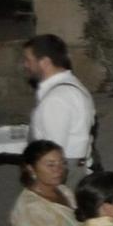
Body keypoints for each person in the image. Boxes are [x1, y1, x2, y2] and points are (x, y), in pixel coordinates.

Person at [23, 34, 94, 171]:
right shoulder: (73, 84)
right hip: (76, 165)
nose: (25, 65)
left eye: (28, 60)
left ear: (45, 62)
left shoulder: (56, 99)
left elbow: (52, 152)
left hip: (63, 172)